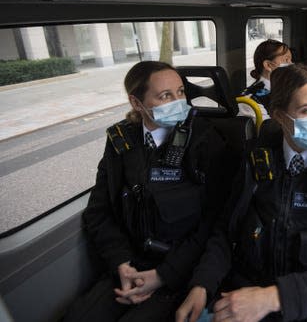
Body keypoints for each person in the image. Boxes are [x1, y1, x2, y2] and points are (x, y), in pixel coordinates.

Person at [177, 63, 307, 322]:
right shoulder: (256, 159)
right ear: (280, 116)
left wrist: (273, 298)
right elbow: (228, 233)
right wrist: (202, 284)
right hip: (256, 297)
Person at [64, 61, 230, 322]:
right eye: (165, 95)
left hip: (181, 269)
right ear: (136, 103)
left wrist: (164, 275)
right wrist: (121, 264)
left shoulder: (205, 141)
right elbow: (100, 211)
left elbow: (217, 223)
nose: (178, 102)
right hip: (131, 264)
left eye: (180, 92)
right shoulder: (121, 141)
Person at [238, 39, 293, 123]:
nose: (291, 64)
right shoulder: (251, 99)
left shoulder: (291, 89)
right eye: (286, 60)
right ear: (268, 65)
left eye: (290, 60)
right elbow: (269, 132)